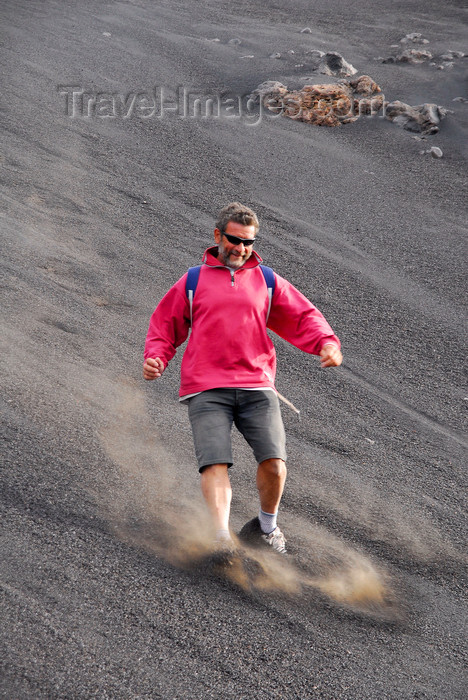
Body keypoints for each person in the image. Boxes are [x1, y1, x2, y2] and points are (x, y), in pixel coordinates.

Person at [143, 202, 342, 554]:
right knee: (215, 463)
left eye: (249, 242)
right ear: (218, 235)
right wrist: (156, 357)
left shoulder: (266, 281)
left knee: (275, 465)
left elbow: (302, 316)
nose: (241, 248)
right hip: (206, 388)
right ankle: (222, 538)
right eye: (234, 239)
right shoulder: (192, 280)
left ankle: (265, 529)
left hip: (257, 386)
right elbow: (165, 325)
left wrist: (326, 343)